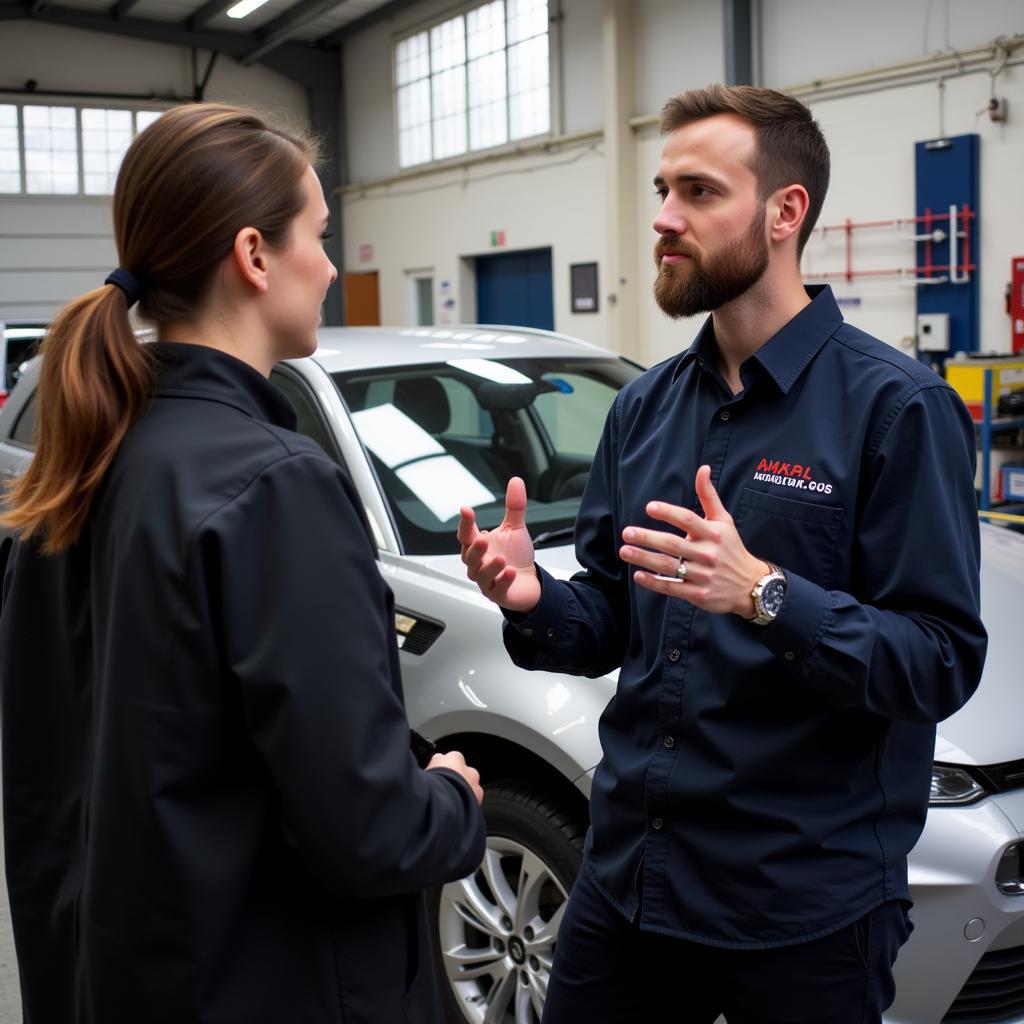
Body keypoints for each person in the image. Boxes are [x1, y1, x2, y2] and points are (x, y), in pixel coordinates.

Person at [458, 84, 986, 1023]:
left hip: (802, 914)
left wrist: (767, 595)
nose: (664, 218)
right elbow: (612, 619)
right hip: (631, 882)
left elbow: (940, 661)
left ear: (785, 213)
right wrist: (533, 599)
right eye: (663, 190)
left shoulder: (896, 409)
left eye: (699, 193)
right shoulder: (645, 409)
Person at [0, 102, 485, 1024]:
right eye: (321, 234)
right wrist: (450, 801)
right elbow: (368, 828)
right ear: (255, 256)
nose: (334, 266)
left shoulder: (81, 467)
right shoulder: (275, 486)